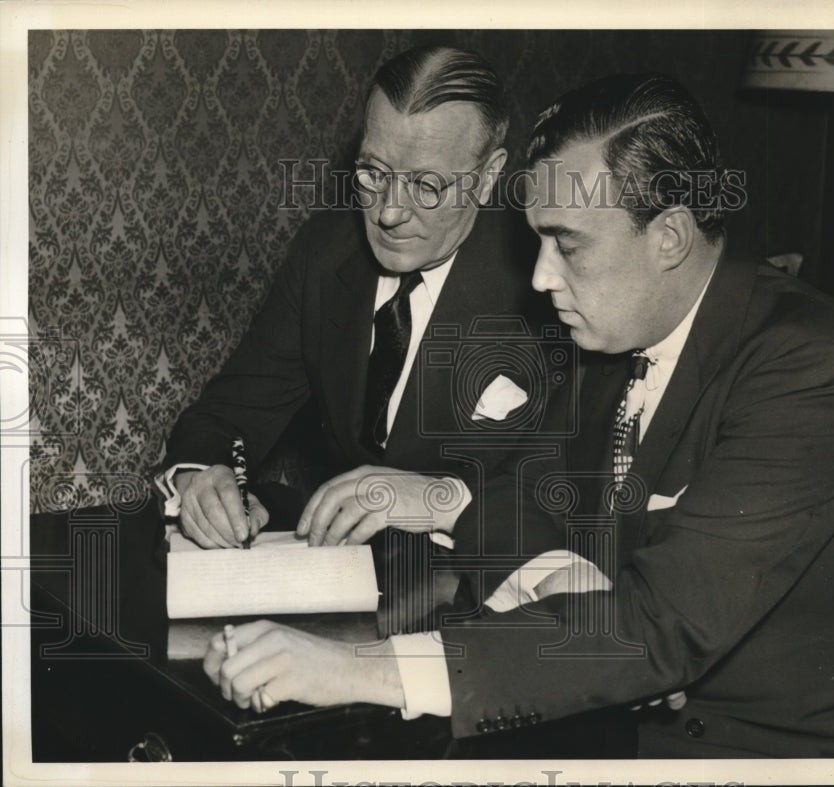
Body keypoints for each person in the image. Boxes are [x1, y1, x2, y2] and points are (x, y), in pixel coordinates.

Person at [203, 73, 834, 757]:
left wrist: (357, 667)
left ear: (670, 237)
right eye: (537, 238)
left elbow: (654, 633)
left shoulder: (814, 373)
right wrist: (528, 555)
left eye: (568, 244)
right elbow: (524, 496)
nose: (540, 276)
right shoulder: (614, 337)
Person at [156, 45, 546, 553]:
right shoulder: (326, 254)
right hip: (344, 573)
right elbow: (227, 414)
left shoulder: (547, 281)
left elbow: (570, 488)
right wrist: (200, 478)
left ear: (488, 177)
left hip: (481, 577)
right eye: (373, 173)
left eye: (426, 185)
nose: (388, 213)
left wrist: (443, 497)